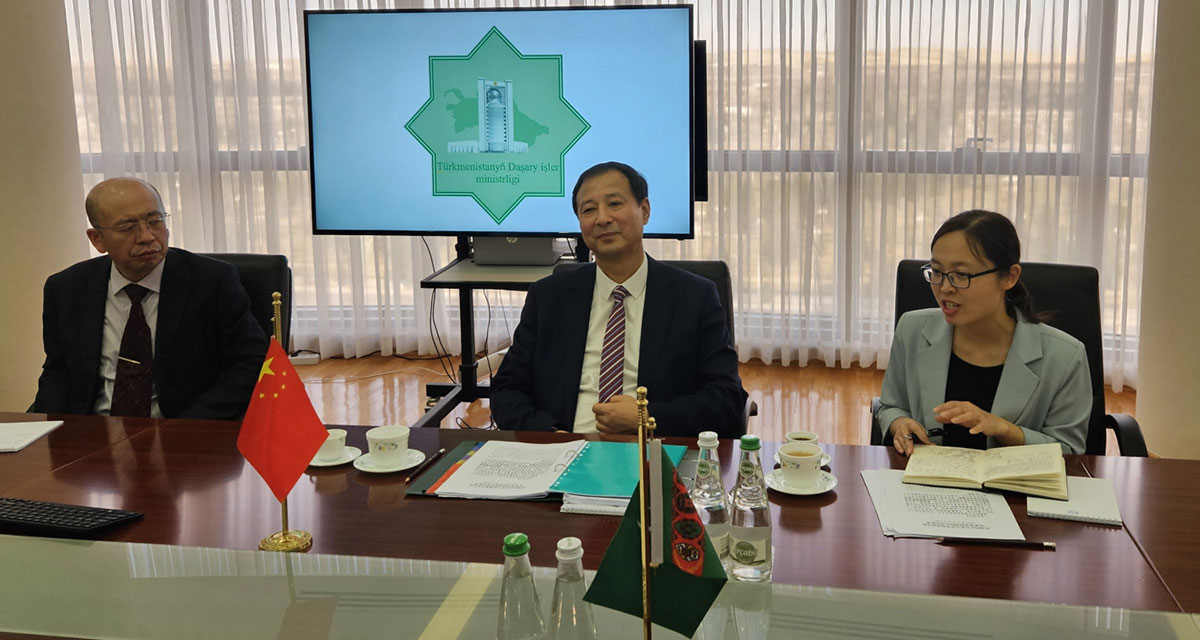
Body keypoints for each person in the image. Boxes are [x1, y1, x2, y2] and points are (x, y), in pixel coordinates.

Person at [490, 162, 748, 438]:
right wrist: (549, 434)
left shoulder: (694, 297)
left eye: (614, 204)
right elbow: (507, 389)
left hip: (651, 448)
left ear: (644, 211)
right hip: (563, 448)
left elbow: (727, 398)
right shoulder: (549, 297)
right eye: (589, 210)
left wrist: (645, 417)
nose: (602, 219)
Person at [32, 177, 268, 420]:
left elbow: (251, 362)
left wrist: (187, 427)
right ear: (97, 239)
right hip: (94, 430)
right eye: (127, 227)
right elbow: (58, 372)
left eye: (155, 221)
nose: (146, 236)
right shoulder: (67, 289)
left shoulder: (212, 281)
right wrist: (43, 431)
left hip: (183, 427)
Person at [877, 210, 1090, 455]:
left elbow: (1069, 450)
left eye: (961, 275)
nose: (945, 288)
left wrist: (1005, 429)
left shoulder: (1064, 356)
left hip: (1014, 479)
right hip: (927, 476)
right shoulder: (912, 329)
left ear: (1009, 277)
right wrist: (899, 423)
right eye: (936, 272)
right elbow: (890, 406)